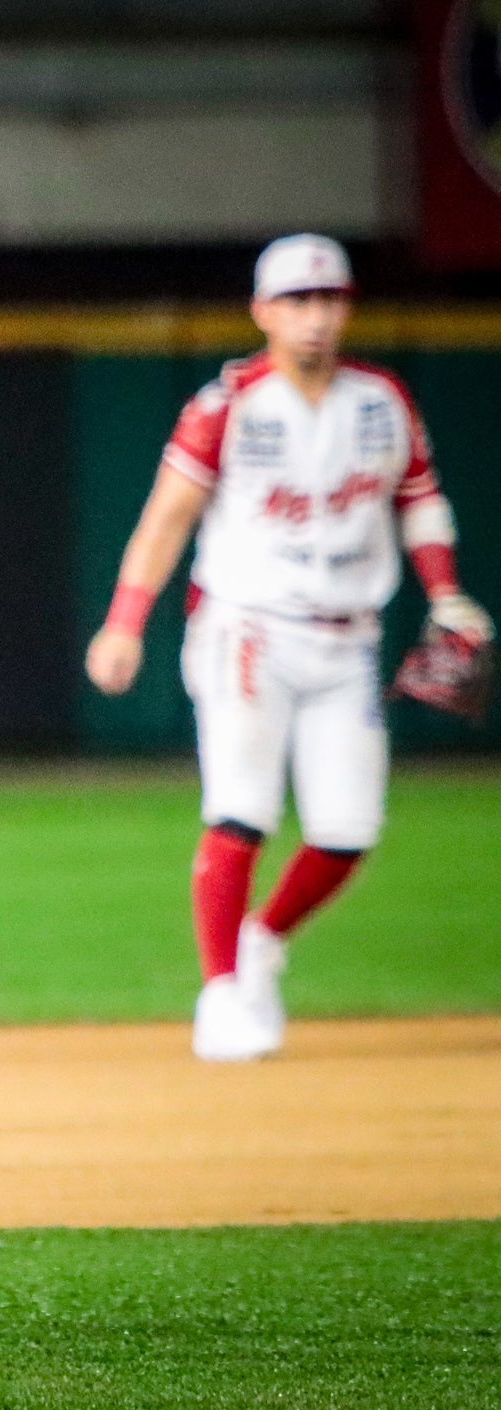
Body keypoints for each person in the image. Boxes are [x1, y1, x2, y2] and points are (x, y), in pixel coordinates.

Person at [84, 234, 490, 1062]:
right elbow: (167, 518)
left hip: (349, 639)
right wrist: (126, 620)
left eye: (329, 298)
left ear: (348, 308)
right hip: (248, 627)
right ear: (262, 312)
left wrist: (445, 590)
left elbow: (420, 499)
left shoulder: (380, 401)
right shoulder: (228, 404)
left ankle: (262, 940)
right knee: (241, 810)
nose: (315, 316)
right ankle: (220, 992)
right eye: (297, 301)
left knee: (348, 830)